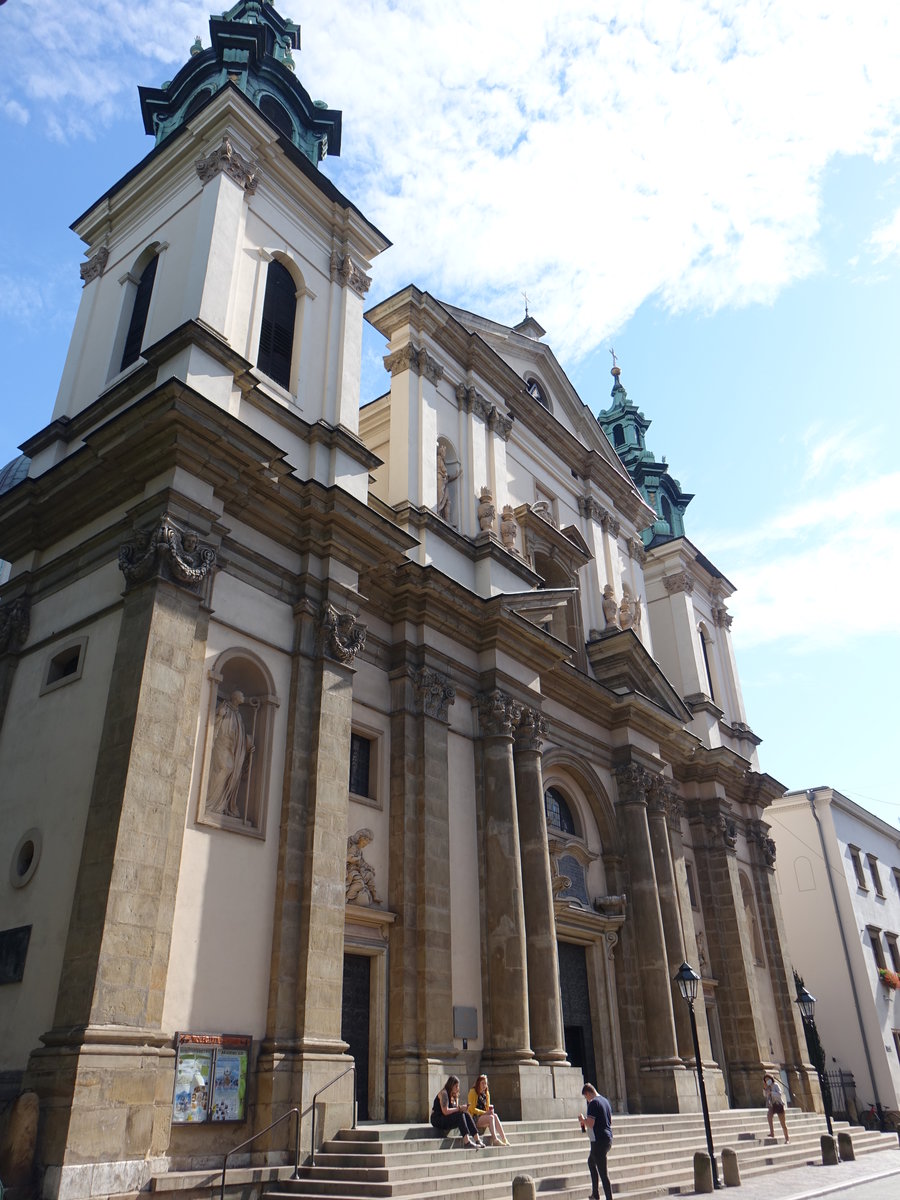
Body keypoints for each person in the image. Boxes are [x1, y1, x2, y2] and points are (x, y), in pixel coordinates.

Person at [579, 1083, 613, 1200]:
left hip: (598, 1141)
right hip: (607, 1139)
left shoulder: (593, 1103)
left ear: (588, 1093)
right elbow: (610, 1120)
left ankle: (608, 1197)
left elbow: (591, 1124)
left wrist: (583, 1120)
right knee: (591, 1162)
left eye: (585, 1097)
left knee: (603, 1173)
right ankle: (595, 1194)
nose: (586, 1100)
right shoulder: (605, 1101)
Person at [431, 1075, 483, 1147]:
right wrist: (459, 1108)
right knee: (460, 1114)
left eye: (458, 1086)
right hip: (437, 1119)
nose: (458, 1088)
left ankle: (477, 1139)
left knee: (465, 1114)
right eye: (456, 1086)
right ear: (451, 1086)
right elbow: (445, 1111)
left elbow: (456, 1110)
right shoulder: (444, 1093)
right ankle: (467, 1142)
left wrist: (462, 1109)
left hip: (446, 1118)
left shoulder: (455, 1095)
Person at [467, 1073, 510, 1146]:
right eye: (482, 1083)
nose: (484, 1085)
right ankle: (495, 1139)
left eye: (485, 1083)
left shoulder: (486, 1093)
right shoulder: (473, 1092)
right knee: (491, 1118)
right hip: (474, 1117)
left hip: (483, 1116)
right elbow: (471, 1109)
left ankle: (504, 1138)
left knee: (494, 1115)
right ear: (478, 1083)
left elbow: (487, 1108)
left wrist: (490, 1111)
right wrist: (484, 1113)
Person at [764, 1073, 789, 1142]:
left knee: (783, 1123)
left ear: (771, 1079)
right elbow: (765, 1096)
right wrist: (765, 1089)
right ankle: (772, 1133)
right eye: (766, 1080)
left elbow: (779, 1094)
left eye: (768, 1079)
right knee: (769, 1116)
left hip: (778, 1104)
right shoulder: (767, 1087)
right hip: (771, 1105)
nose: (767, 1081)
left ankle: (787, 1138)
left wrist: (771, 1092)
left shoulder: (775, 1085)